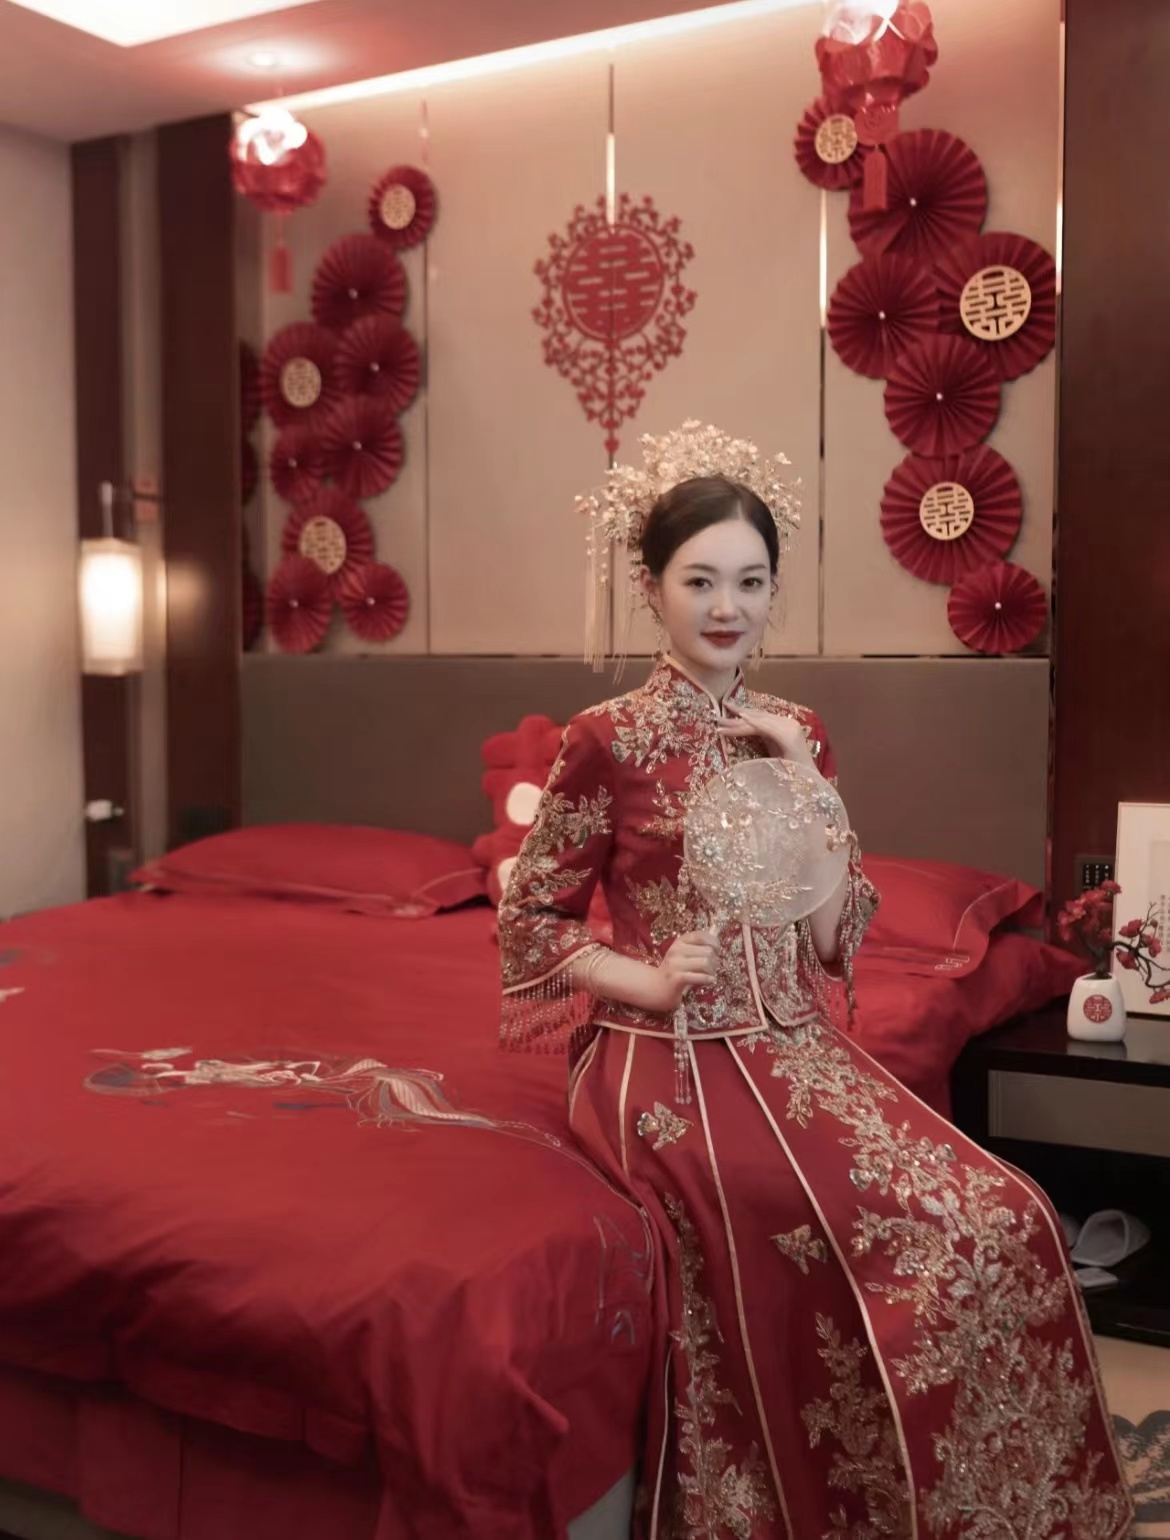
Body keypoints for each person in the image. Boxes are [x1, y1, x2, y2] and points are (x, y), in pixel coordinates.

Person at [497, 423, 1131, 1539]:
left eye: (750, 581)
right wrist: (648, 979)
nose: (726, 606)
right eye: (700, 580)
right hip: (666, 1062)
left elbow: (836, 939)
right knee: (827, 1223)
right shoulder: (608, 738)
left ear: (774, 590)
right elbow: (529, 922)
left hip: (791, 1042)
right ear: (652, 588)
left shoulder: (799, 730)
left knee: (1003, 1210)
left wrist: (809, 789)